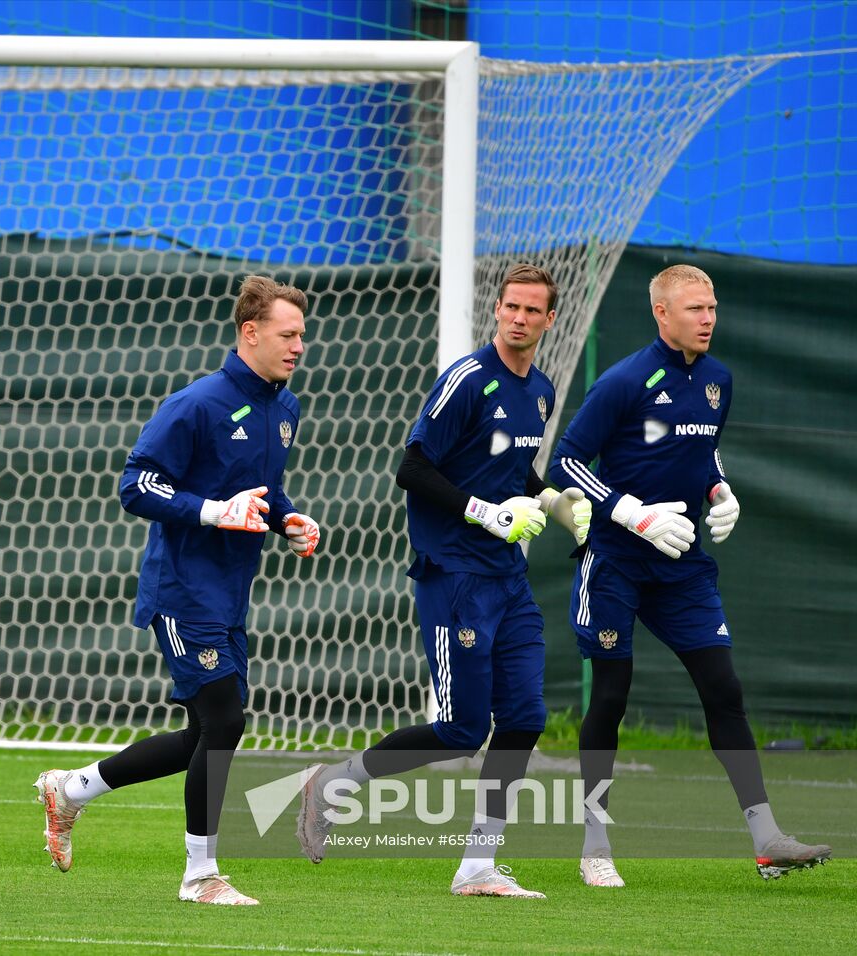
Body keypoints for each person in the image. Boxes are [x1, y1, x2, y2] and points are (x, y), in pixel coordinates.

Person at [297, 263, 590, 898]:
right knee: (462, 729)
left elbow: (515, 474)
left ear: (550, 319)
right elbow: (411, 468)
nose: (518, 318)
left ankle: (477, 866)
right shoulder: (466, 378)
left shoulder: (539, 389)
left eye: (532, 310)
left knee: (524, 719)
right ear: (498, 310)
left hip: (507, 579)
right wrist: (484, 512)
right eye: (510, 306)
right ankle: (333, 783)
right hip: (455, 574)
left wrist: (558, 503)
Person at [33, 275, 323, 906]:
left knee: (204, 735)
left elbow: (264, 494)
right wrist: (211, 512)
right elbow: (136, 484)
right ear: (251, 332)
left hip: (230, 593)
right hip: (183, 590)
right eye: (288, 333)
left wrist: (288, 521)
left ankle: (72, 788)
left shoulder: (285, 406)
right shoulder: (197, 404)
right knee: (226, 721)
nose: (299, 345)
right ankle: (200, 876)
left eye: (302, 334)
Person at [549, 263, 830, 887]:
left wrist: (719, 487)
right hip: (616, 561)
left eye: (713, 307)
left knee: (723, 688)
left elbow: (702, 448)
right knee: (612, 695)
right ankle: (595, 844)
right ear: (662, 313)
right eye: (695, 308)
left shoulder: (718, 380)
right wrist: (629, 513)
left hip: (682, 565)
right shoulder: (624, 380)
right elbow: (566, 458)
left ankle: (767, 841)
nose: (708, 318)